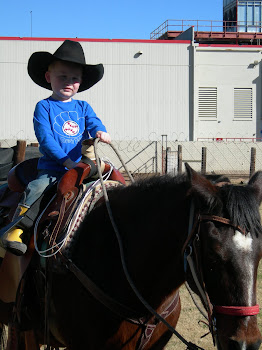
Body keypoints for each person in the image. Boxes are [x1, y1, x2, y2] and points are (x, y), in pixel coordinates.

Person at [0, 40, 111, 256]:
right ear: (49, 77)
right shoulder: (44, 107)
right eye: (63, 76)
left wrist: (100, 130)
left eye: (74, 78)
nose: (68, 82)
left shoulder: (83, 106)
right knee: (38, 188)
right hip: (53, 168)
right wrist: (65, 161)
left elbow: (93, 121)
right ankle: (16, 229)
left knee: (109, 181)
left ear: (80, 82)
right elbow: (46, 139)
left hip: (80, 166)